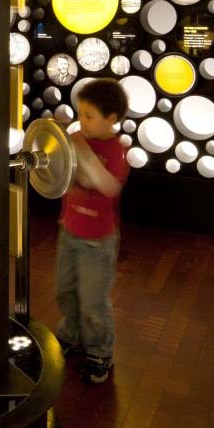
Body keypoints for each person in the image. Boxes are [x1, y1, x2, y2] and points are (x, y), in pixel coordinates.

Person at [55, 78, 130, 384]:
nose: (81, 120)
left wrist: (80, 148)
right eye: (79, 113)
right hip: (69, 231)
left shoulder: (115, 149)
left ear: (111, 119)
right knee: (66, 291)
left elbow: (108, 185)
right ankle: (70, 336)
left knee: (93, 301)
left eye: (88, 116)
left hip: (97, 242)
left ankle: (99, 351)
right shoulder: (78, 140)